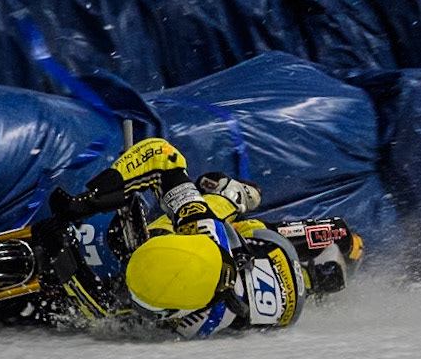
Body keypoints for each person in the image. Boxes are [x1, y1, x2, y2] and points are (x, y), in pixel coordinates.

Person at [33, 138, 362, 340]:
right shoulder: (199, 224)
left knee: (335, 251)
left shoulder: (185, 324)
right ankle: (240, 195)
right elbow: (162, 156)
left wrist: (65, 258)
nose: (133, 298)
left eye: (140, 299)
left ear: (170, 312)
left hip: (258, 285)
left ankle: (315, 276)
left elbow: (98, 314)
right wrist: (94, 197)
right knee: (219, 195)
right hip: (243, 249)